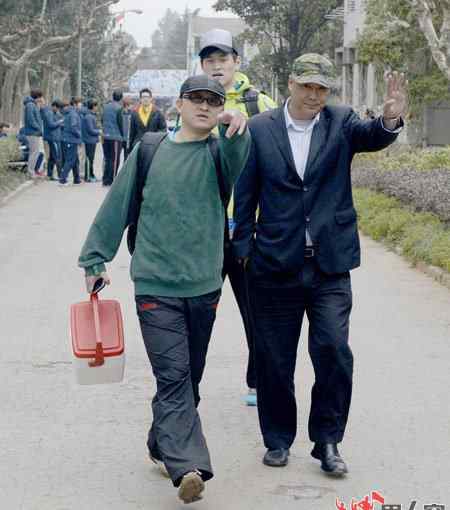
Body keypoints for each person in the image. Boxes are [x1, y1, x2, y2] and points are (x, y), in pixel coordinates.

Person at [78, 75, 250, 505]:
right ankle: (188, 466)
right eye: (197, 99)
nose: (206, 107)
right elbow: (117, 203)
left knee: (188, 378)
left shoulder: (219, 153)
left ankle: (161, 441)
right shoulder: (150, 150)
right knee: (173, 377)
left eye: (214, 100)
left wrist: (236, 128)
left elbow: (237, 152)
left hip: (205, 285)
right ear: (180, 105)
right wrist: (94, 258)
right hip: (155, 285)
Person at [233, 54, 407, 474]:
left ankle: (328, 440)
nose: (314, 95)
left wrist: (389, 120)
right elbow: (246, 193)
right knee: (275, 358)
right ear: (291, 83)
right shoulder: (259, 129)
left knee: (333, 350)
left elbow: (373, 136)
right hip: (274, 263)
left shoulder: (341, 121)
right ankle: (277, 439)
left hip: (329, 263)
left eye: (321, 89)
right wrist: (244, 251)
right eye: (307, 86)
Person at [199, 28, 277, 406]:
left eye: (223, 59)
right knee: (196, 311)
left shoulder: (259, 102)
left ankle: (259, 380)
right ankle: (186, 386)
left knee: (257, 311)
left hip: (250, 230)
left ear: (236, 62)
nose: (216, 66)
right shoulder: (194, 103)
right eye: (209, 60)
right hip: (208, 230)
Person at [102, 90, 123, 186]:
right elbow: (121, 123)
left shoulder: (105, 107)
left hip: (106, 136)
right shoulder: (119, 108)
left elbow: (102, 120)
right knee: (114, 160)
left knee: (107, 158)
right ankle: (112, 180)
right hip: (115, 136)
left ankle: (105, 179)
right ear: (121, 98)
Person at [59, 98, 82, 186]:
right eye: (80, 103)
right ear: (75, 104)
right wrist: (79, 135)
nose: (81, 105)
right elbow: (73, 127)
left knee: (75, 159)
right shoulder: (73, 114)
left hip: (68, 139)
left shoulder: (70, 113)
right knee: (70, 160)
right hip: (71, 140)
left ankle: (77, 179)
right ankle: (63, 179)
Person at [23, 89, 45, 178]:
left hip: (35, 132)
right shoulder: (30, 105)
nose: (42, 99)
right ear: (37, 97)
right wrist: (39, 128)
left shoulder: (33, 105)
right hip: (33, 133)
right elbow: (31, 120)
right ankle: (30, 172)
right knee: (34, 152)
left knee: (35, 152)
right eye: (41, 97)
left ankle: (32, 171)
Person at [41, 100, 64, 180]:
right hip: (52, 138)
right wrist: (59, 122)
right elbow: (51, 125)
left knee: (52, 157)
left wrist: (60, 122)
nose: (58, 110)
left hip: (56, 137)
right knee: (57, 156)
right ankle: (60, 175)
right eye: (57, 108)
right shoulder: (48, 113)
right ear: (53, 106)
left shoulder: (55, 113)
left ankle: (49, 175)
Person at [82, 99, 101, 182]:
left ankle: (91, 174)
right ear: (93, 106)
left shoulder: (91, 115)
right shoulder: (89, 117)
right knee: (89, 159)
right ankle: (88, 176)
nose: (97, 108)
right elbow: (91, 130)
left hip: (91, 140)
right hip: (89, 140)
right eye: (96, 106)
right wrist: (99, 132)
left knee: (91, 158)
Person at [117, 96, 133, 162]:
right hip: (121, 138)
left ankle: (125, 170)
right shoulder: (119, 112)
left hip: (127, 139)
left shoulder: (132, 113)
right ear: (126, 105)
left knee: (126, 157)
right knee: (118, 156)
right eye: (130, 104)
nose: (131, 106)